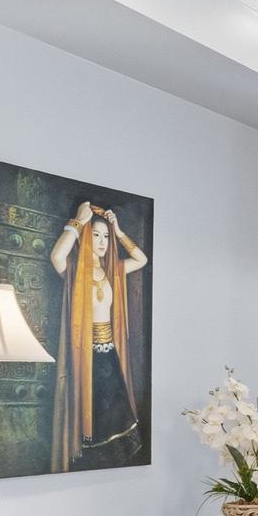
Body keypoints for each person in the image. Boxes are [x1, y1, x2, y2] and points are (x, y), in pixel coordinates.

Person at [47, 200, 149, 468]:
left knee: (115, 414)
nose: (102, 242)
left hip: (109, 354)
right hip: (86, 355)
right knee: (92, 413)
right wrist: (78, 222)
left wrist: (119, 232)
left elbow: (142, 259)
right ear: (85, 236)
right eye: (97, 235)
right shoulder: (74, 271)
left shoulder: (113, 270)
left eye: (105, 237)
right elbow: (56, 256)